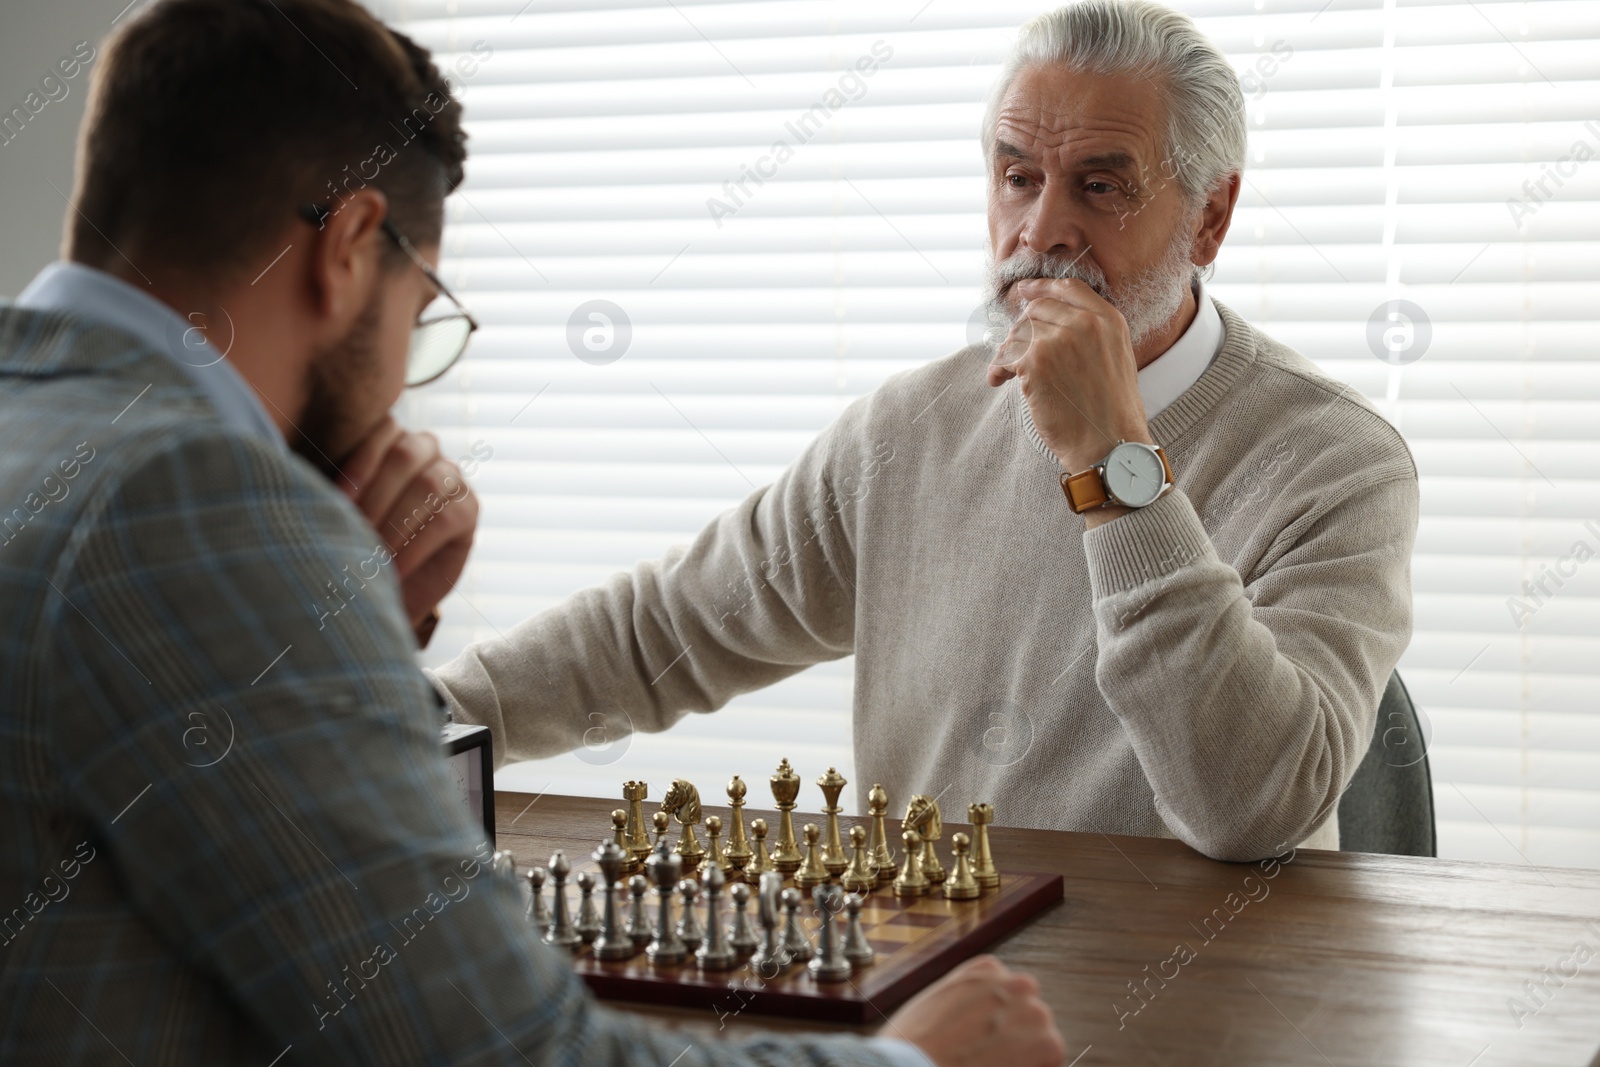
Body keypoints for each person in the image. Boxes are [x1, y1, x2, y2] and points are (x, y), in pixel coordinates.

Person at [0, 1, 1064, 1065]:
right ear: (351, 247)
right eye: (421, 317)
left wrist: (358, 619)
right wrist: (913, 1060)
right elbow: (504, 1052)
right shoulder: (204, 506)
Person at [425, 0, 1420, 863]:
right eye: (1016, 176)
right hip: (934, 990)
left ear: (1209, 217)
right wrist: (415, 719)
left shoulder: (1338, 462)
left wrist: (1110, 459)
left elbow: (1251, 806)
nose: (1040, 231)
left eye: (1100, 186)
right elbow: (665, 632)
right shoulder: (911, 427)